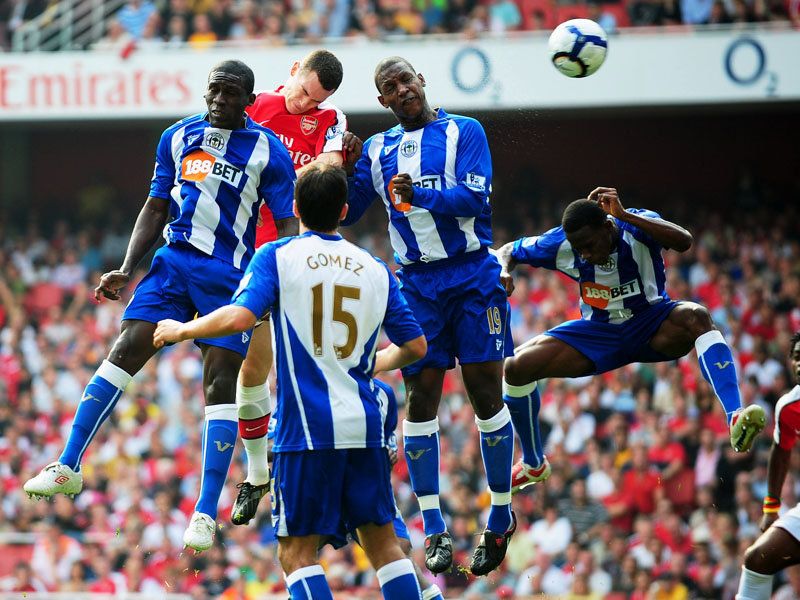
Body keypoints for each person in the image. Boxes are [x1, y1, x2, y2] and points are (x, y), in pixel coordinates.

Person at [23, 60, 298, 553]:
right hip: (172, 264)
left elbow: (286, 225)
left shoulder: (269, 151)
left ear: (249, 100)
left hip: (229, 274)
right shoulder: (177, 136)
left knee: (220, 382)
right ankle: (68, 464)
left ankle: (204, 512)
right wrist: (127, 268)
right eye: (214, 90)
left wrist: (278, 282)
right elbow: (156, 205)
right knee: (125, 348)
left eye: (231, 93)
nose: (219, 100)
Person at [152, 163, 428, 600]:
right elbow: (415, 346)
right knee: (384, 546)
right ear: (343, 211)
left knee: (297, 554)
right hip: (364, 426)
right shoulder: (375, 267)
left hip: (307, 430)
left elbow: (241, 317)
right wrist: (368, 365)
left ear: (295, 207)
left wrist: (182, 329)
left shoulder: (277, 256)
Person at [342, 56, 516, 576]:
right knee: (420, 398)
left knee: (486, 394)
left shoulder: (465, 131)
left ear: (421, 81)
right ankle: (435, 527)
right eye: (389, 87)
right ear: (382, 101)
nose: (401, 90)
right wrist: (343, 167)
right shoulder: (378, 150)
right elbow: (347, 211)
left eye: (405, 80)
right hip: (417, 285)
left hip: (473, 275)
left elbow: (475, 199)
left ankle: (500, 516)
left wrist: (419, 195)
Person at [496, 187, 766, 493]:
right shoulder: (561, 243)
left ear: (607, 226)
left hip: (651, 321)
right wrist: (503, 271)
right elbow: (508, 250)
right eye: (578, 249)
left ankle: (735, 416)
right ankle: (533, 464)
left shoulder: (634, 225)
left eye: (589, 245)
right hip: (599, 333)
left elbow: (684, 241)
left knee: (697, 317)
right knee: (515, 367)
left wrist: (625, 215)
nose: (584, 255)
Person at [230, 48, 347, 527]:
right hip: (250, 255)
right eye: (302, 92)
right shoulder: (254, 105)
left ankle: (310, 471)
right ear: (294, 69)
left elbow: (329, 171)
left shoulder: (332, 119)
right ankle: (257, 474)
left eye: (314, 100)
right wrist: (296, 173)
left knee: (307, 369)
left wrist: (278, 174)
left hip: (301, 256)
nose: (305, 105)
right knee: (253, 368)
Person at [736, 332, 800, 600]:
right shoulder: (789, 406)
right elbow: (781, 451)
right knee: (756, 560)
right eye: (796, 357)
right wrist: (771, 508)